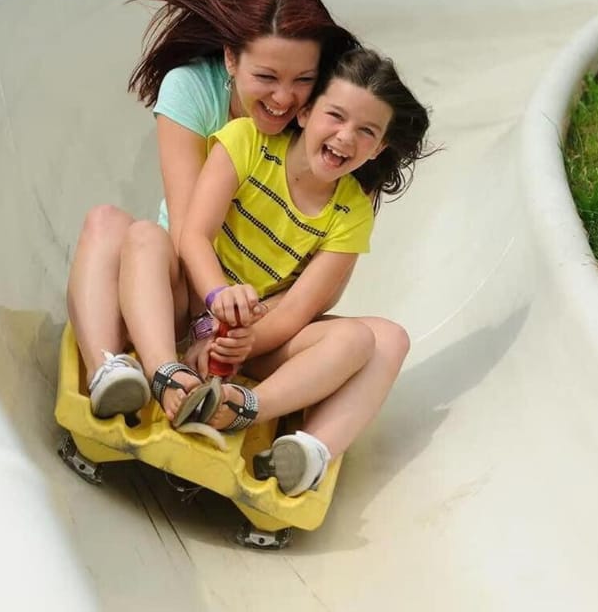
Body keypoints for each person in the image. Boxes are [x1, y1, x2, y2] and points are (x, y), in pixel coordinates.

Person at [115, 48, 433, 497]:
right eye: (336, 116)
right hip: (192, 303)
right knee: (145, 237)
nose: (346, 137)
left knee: (374, 339)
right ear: (305, 112)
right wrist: (216, 301)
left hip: (258, 337)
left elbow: (299, 309)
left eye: (367, 131)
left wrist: (238, 342)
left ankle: (274, 429)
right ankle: (166, 373)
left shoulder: (351, 211)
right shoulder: (246, 142)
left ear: (378, 148)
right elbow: (194, 236)